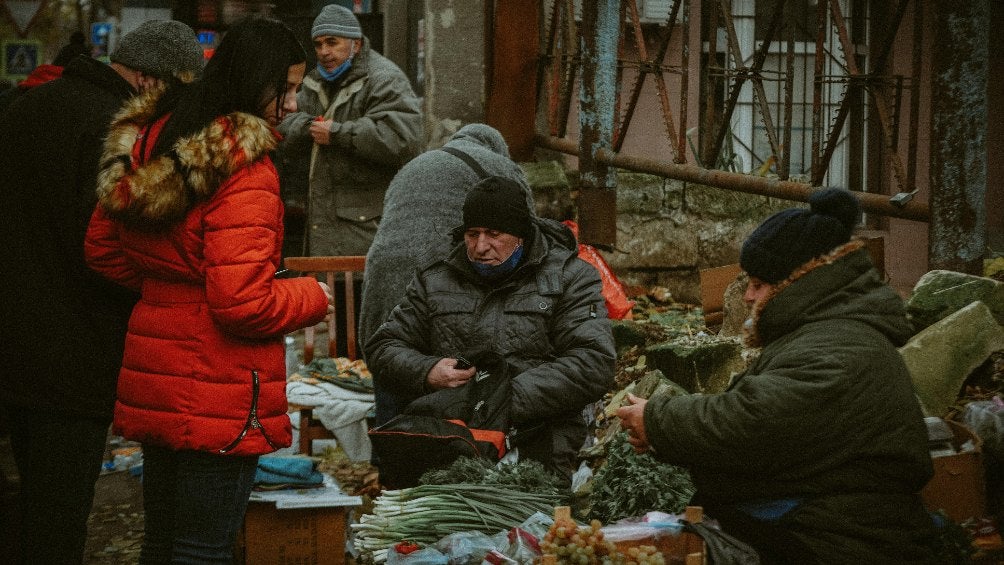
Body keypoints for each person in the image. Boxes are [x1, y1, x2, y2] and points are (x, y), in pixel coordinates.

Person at [83, 16, 332, 563]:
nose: (292, 105)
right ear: (252, 80)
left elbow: (102, 247)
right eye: (285, 89)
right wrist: (312, 297)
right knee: (204, 550)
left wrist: (170, 285)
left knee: (161, 541)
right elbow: (242, 302)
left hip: (156, 373)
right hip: (216, 385)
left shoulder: (152, 137)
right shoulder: (245, 170)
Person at [617, 188, 938, 563]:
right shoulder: (828, 333)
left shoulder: (840, 346)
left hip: (839, 542)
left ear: (796, 282)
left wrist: (658, 420)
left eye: (757, 284)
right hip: (820, 524)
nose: (749, 296)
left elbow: (754, 423)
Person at [0, 19, 204, 565]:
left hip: (14, 341)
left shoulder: (28, 107)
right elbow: (105, 249)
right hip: (74, 350)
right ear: (147, 79)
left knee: (24, 505)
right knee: (59, 516)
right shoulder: (113, 132)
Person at [365, 176, 616, 482]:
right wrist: (427, 370)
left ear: (521, 235)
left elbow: (593, 362)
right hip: (450, 432)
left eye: (494, 234)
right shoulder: (436, 279)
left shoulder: (570, 277)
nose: (481, 247)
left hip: (538, 431)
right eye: (472, 234)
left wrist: (503, 399)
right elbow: (383, 346)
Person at [359, 123, 534, 426]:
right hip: (436, 276)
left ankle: (388, 451)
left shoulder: (416, 164)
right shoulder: (501, 166)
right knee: (443, 375)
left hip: (381, 273)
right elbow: (527, 231)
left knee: (392, 356)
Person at [277, 2, 424, 258]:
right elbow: (281, 122)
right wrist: (308, 126)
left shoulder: (385, 79)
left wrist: (338, 133)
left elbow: (402, 138)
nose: (324, 52)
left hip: (365, 234)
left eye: (332, 42)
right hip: (320, 229)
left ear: (355, 44)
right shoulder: (313, 81)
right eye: (319, 44)